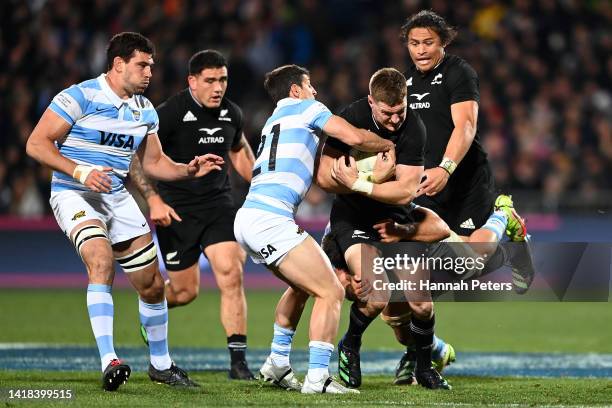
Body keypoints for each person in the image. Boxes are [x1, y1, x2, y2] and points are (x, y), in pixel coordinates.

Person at [24, 32, 221, 391]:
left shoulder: (144, 110)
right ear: (118, 65)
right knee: (101, 261)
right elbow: (36, 143)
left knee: (152, 286)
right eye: (141, 65)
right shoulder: (79, 96)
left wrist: (189, 169)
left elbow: (156, 162)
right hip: (74, 193)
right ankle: (109, 360)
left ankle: (161, 366)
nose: (149, 72)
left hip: (116, 197)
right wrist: (79, 170)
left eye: (151, 65)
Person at [233, 64, 394, 394]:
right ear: (295, 90)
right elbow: (353, 136)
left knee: (302, 286)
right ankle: (318, 378)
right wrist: (388, 145)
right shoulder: (308, 108)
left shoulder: (273, 120)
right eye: (309, 86)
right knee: (332, 290)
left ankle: (278, 363)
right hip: (270, 219)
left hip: (250, 217)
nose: (315, 92)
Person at [315, 67, 451, 390]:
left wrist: (362, 181)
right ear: (372, 103)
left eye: (400, 111)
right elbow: (322, 178)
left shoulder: (413, 127)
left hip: (395, 218)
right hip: (354, 218)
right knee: (376, 294)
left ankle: (423, 367)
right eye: (387, 113)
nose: (394, 120)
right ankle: (350, 344)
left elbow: (405, 191)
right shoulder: (350, 118)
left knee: (422, 302)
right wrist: (369, 183)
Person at [129, 49, 256, 380]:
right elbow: (139, 158)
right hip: (178, 212)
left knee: (231, 272)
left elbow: (239, 150)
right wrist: (153, 199)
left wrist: (261, 186)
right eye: (210, 80)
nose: (218, 88)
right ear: (192, 82)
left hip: (219, 206)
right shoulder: (168, 114)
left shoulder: (232, 113)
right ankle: (152, 308)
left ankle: (238, 362)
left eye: (223, 80)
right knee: (185, 292)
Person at [400, 10, 534, 293]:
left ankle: (504, 218)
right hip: (428, 186)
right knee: (430, 281)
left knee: (472, 259)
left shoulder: (458, 72)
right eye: (414, 43)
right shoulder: (404, 84)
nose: (421, 50)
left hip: (465, 180)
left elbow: (466, 125)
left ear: (443, 43)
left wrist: (446, 168)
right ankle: (508, 243)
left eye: (428, 42)